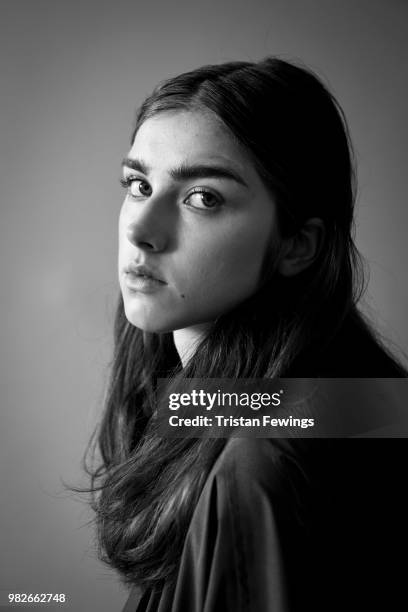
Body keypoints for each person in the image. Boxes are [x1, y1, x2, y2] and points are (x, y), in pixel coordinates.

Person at [85, 57, 407, 611]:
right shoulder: (335, 401)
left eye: (203, 198)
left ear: (297, 244)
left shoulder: (264, 464)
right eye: (138, 184)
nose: (140, 229)